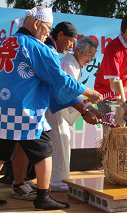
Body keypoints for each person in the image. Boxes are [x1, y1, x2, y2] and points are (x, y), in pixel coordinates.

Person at [0, 6, 103, 211]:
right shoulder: (35, 47)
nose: (47, 33)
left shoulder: (4, 44)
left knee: (1, 153)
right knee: (44, 151)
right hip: (24, 111)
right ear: (36, 24)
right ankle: (43, 197)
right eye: (47, 28)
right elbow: (59, 80)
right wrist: (88, 92)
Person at [48, 36, 101, 192]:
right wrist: (87, 109)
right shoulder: (68, 63)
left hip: (61, 108)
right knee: (59, 141)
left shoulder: (73, 64)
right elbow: (67, 90)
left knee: (63, 140)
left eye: (92, 55)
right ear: (78, 50)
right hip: (56, 108)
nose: (90, 59)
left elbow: (74, 92)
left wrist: (89, 108)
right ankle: (57, 180)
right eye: (88, 54)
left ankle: (60, 178)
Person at [94, 14, 127, 126]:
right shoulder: (113, 49)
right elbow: (114, 84)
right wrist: (123, 106)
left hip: (126, 95)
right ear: (122, 31)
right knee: (113, 134)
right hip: (108, 96)